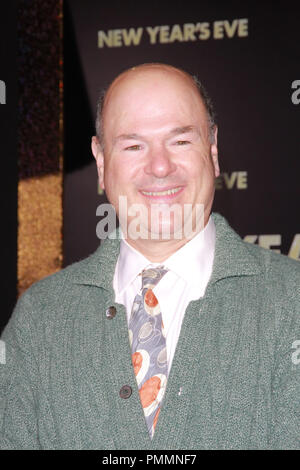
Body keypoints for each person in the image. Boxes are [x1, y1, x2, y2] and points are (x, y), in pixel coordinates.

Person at [1, 63, 299, 450]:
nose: (160, 166)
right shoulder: (39, 318)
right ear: (102, 161)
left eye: (180, 141)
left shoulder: (293, 303)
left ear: (213, 149)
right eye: (133, 145)